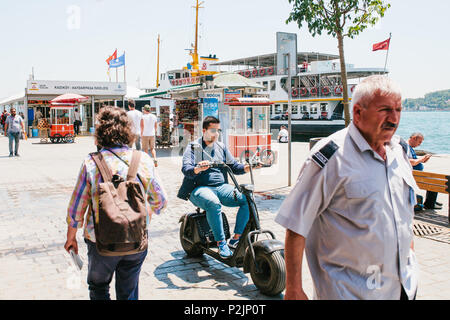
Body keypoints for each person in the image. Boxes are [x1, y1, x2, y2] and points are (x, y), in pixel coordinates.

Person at [276, 75, 419, 300]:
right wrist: (293, 288)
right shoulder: (332, 157)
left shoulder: (399, 151)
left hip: (402, 288)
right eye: (385, 110)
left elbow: (403, 213)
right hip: (350, 292)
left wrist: (407, 254)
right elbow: (296, 224)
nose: (394, 118)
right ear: (358, 113)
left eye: (398, 109)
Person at [64, 106, 167, 300]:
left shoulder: (91, 163)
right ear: (128, 130)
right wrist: (141, 215)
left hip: (100, 242)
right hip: (136, 240)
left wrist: (71, 237)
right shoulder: (143, 159)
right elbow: (160, 201)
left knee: (98, 287)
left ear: (100, 132)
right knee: (128, 292)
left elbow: (77, 208)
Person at [178, 116, 262, 258]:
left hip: (221, 187)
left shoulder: (221, 147)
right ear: (204, 130)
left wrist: (250, 166)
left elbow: (234, 167)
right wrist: (198, 168)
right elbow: (186, 169)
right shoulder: (194, 147)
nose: (216, 134)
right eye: (212, 130)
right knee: (213, 203)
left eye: (218, 130)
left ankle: (236, 238)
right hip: (199, 188)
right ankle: (221, 243)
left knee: (247, 198)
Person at [404, 132, 441, 210]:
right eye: (419, 142)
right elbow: (408, 161)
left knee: (432, 179)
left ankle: (432, 201)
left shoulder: (409, 147)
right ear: (414, 138)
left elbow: (414, 160)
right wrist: (420, 159)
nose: (419, 144)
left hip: (416, 175)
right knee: (434, 181)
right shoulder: (406, 147)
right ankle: (430, 203)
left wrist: (422, 160)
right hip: (414, 177)